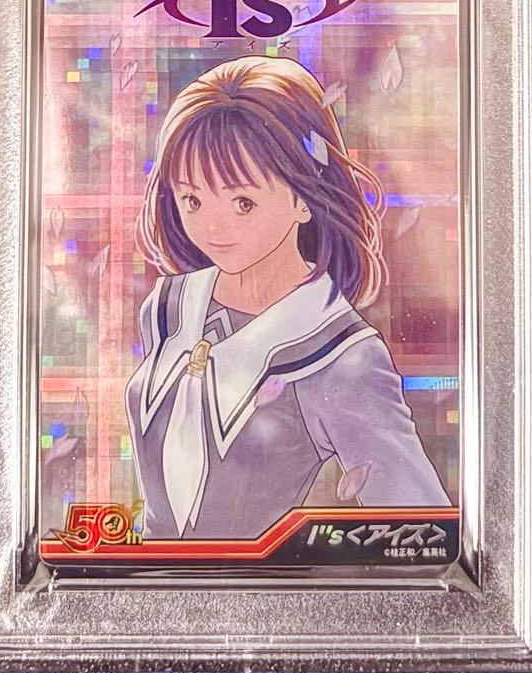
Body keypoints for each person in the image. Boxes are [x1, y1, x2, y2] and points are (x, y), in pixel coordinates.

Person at [126, 55, 450, 539]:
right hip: (145, 582)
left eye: (243, 202)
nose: (212, 226)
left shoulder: (343, 355)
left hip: (267, 586)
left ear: (304, 198)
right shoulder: (167, 307)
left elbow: (422, 532)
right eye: (192, 199)